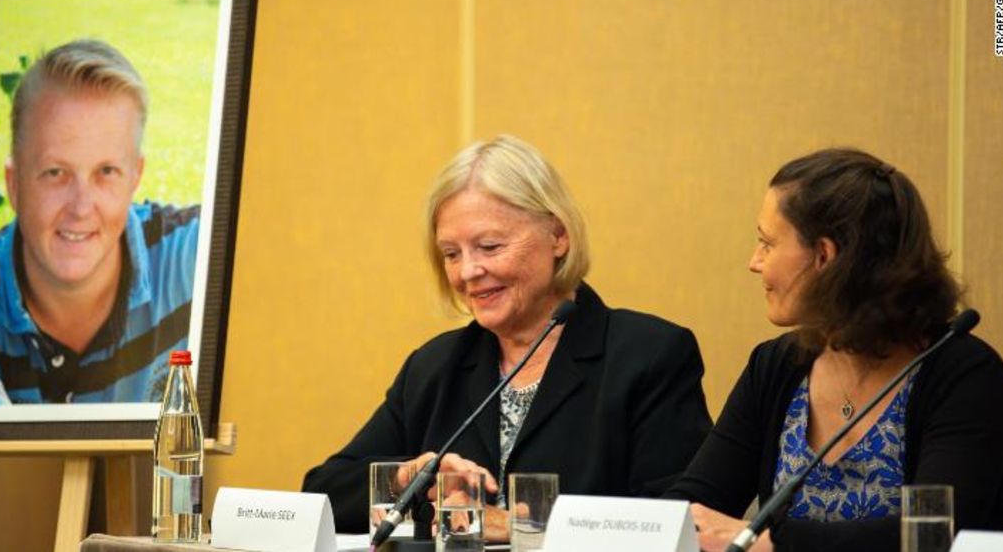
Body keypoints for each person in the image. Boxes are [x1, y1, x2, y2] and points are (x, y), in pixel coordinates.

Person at [302, 135, 712, 537]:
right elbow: (323, 493)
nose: (467, 271)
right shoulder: (434, 366)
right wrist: (409, 477)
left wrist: (520, 528)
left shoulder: (649, 355)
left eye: (490, 246)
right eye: (451, 254)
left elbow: (678, 526)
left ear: (558, 235)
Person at [666, 149, 1003, 551]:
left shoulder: (964, 376)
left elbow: (933, 536)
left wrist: (771, 544)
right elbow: (696, 506)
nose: (754, 263)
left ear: (824, 256)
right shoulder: (777, 365)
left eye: (767, 243)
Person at [0, 39, 201, 404]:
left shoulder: (193, 258)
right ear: (14, 183)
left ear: (135, 177)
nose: (81, 207)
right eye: (56, 172)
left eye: (106, 172)